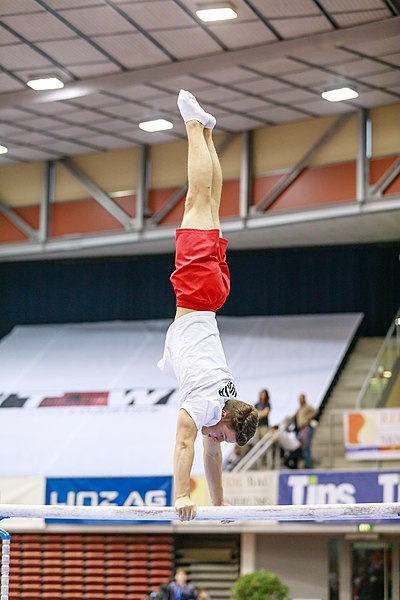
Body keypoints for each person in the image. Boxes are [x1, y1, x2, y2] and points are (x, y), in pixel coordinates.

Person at [158, 90, 259, 521]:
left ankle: (210, 133)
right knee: (197, 200)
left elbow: (211, 455)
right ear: (226, 420)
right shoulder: (204, 406)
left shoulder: (226, 402)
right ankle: (193, 125)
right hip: (197, 295)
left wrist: (218, 503)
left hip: (213, 297)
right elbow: (184, 443)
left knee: (211, 205)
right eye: (223, 434)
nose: (214, 438)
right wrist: (182, 495)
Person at [289, 393, 318, 469]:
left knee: (305, 447)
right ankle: (303, 463)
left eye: (301, 399)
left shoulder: (307, 407)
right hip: (301, 429)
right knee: (298, 446)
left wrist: (308, 418)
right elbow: (293, 417)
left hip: (306, 428)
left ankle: (309, 465)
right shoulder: (299, 408)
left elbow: (315, 411)